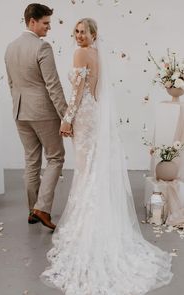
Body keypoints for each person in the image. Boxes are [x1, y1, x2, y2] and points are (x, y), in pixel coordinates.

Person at [41, 18, 173, 295]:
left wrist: (67, 119)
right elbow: (94, 90)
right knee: (92, 169)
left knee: (86, 170)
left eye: (83, 32)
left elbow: (77, 93)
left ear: (93, 34)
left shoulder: (80, 53)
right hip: (95, 115)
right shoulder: (96, 53)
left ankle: (89, 229)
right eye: (76, 32)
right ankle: (100, 221)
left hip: (84, 117)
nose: (78, 36)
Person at [5, 3, 68, 230]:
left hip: (20, 112)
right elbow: (53, 85)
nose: (48, 28)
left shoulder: (10, 48)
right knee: (56, 157)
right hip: (43, 112)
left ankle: (33, 210)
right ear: (32, 21)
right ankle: (42, 208)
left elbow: (12, 84)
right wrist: (67, 115)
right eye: (45, 23)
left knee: (31, 161)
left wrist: (18, 106)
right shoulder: (42, 48)